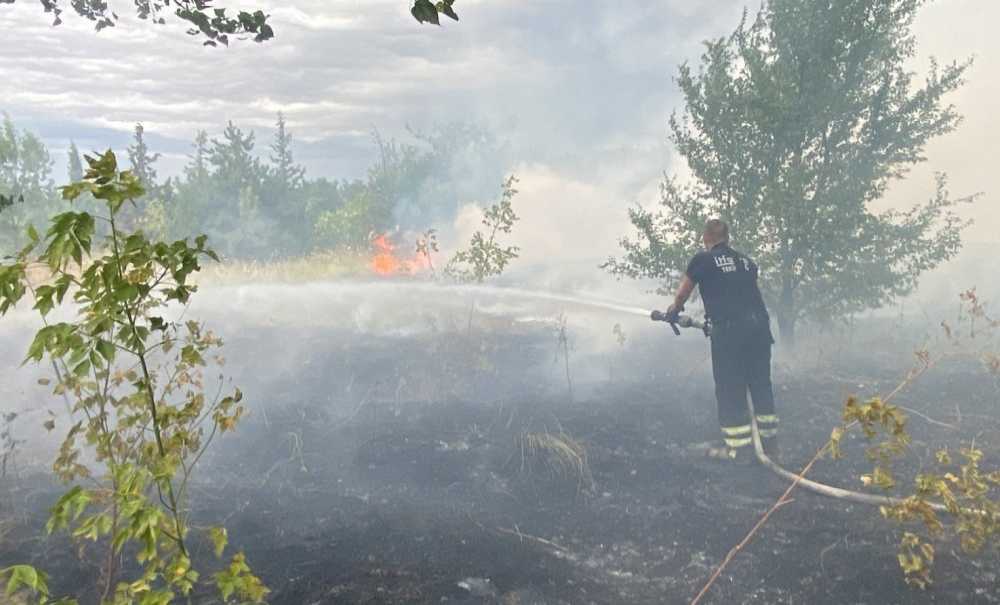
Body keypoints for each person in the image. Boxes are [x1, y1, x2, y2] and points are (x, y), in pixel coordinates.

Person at [660, 219, 779, 461]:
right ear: (728, 238)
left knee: (730, 388)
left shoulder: (703, 260)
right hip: (759, 330)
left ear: (706, 238)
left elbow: (684, 291)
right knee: (760, 386)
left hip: (730, 333)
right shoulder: (747, 262)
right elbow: (743, 292)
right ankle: (770, 448)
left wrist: (673, 311)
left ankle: (739, 449)